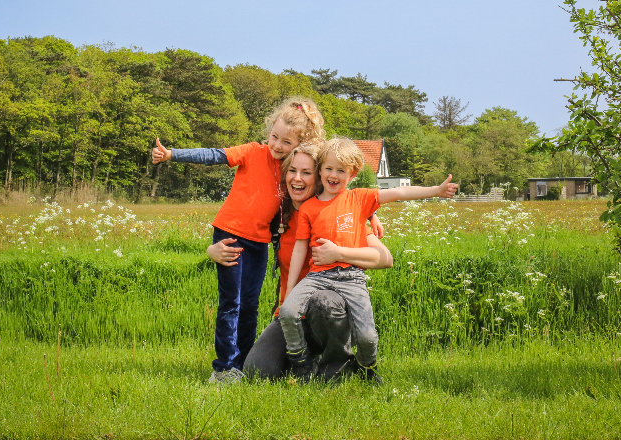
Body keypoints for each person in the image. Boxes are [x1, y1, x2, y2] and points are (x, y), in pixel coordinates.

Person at [151, 98, 324, 384]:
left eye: (286, 142)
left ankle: (242, 364)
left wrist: (371, 214)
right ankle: (223, 368)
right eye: (274, 137)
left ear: (299, 143)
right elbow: (213, 155)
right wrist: (172, 154)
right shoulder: (252, 152)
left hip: (259, 243)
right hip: (230, 235)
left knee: (250, 305)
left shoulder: (290, 172)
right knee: (231, 303)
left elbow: (334, 186)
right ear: (268, 131)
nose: (277, 145)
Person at [280, 136, 459, 382]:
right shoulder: (309, 208)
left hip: (352, 278)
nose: (333, 175)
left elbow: (399, 192)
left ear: (352, 174)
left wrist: (436, 191)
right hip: (318, 276)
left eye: (341, 170)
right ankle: (301, 364)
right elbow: (300, 248)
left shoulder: (359, 199)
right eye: (329, 168)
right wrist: (290, 290)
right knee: (288, 312)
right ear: (320, 170)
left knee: (367, 337)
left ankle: (366, 367)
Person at [208, 143, 393, 380]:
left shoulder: (335, 216)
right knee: (259, 371)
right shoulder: (279, 217)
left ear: (319, 178)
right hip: (292, 314)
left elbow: (385, 258)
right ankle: (305, 360)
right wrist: (212, 249)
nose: (297, 178)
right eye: (291, 170)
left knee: (325, 301)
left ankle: (337, 365)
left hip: (327, 311)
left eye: (306, 173)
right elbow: (243, 234)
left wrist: (339, 253)